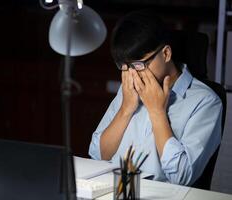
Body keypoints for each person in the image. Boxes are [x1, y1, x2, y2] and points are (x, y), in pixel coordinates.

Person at [88, 11, 222, 186]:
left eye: (138, 65)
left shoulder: (205, 101)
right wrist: (125, 110)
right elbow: (97, 155)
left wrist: (157, 111)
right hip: (117, 191)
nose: (133, 74)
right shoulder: (129, 87)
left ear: (166, 54)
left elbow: (182, 176)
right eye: (125, 66)